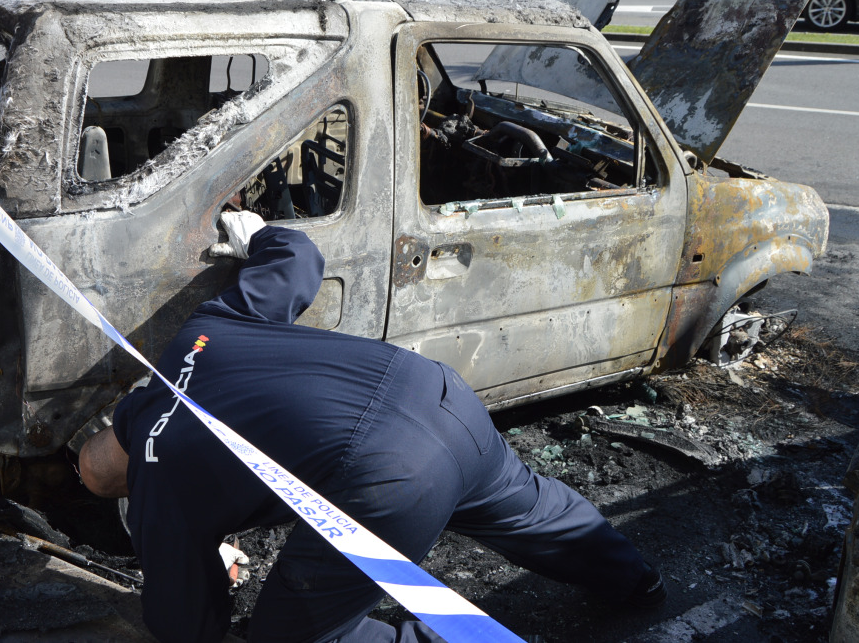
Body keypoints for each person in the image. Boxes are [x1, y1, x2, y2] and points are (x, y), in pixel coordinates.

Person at [79, 212, 666, 643]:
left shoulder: (157, 472)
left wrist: (209, 572)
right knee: (527, 508)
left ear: (123, 477)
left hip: (384, 475)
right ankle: (637, 581)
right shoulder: (201, 332)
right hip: (436, 392)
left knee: (292, 636)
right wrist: (258, 234)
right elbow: (296, 258)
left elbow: (182, 622)